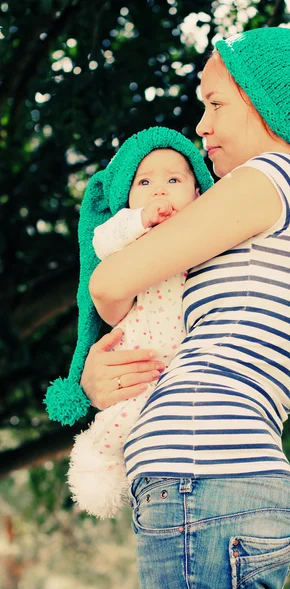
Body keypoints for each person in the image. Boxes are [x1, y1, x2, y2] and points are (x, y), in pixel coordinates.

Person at [48, 27, 290, 589]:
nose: (202, 127)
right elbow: (167, 329)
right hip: (215, 489)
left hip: (202, 484)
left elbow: (110, 279)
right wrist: (101, 372)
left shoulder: (272, 180)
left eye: (216, 104)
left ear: (273, 105)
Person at [66, 128, 214, 519]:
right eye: (144, 182)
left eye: (173, 179)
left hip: (183, 360)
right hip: (141, 348)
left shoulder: (211, 232)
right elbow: (102, 241)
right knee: (126, 412)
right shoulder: (128, 237)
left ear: (198, 192)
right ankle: (96, 458)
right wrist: (139, 222)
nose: (158, 191)